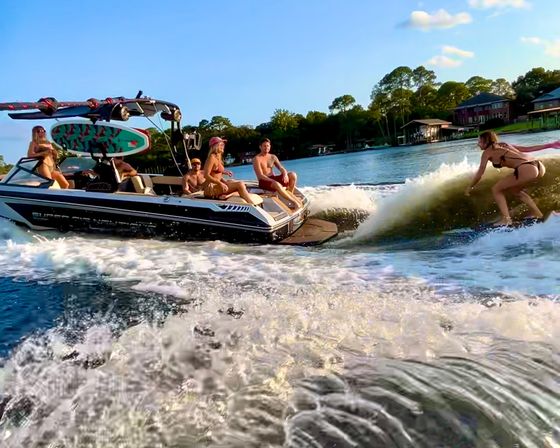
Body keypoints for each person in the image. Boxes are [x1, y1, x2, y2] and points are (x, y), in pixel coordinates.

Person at [465, 130, 560, 226]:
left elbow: (480, 173)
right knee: (516, 191)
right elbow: (526, 149)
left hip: (526, 168)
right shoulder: (504, 144)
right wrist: (549, 145)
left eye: (480, 141)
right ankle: (537, 213)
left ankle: (506, 219)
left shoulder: (487, 153)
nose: (478, 144)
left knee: (496, 189)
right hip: (539, 166)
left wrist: (470, 187)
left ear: (486, 141)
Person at [202, 137, 257, 205]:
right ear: (215, 146)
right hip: (211, 188)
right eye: (221, 144)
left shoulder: (218, 157)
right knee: (240, 185)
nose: (223, 146)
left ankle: (226, 196)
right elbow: (206, 175)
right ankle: (251, 204)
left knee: (234, 182)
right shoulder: (212, 158)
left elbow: (215, 174)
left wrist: (224, 172)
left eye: (223, 145)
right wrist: (220, 183)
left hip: (216, 185)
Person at [253, 137, 302, 207]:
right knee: (276, 184)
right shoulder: (256, 159)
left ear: (270, 146)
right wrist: (273, 181)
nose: (266, 147)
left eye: (268, 146)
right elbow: (260, 175)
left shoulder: (273, 157)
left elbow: (281, 167)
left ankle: (290, 195)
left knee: (292, 175)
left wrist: (285, 174)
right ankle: (294, 202)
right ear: (260, 147)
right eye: (264, 146)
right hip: (263, 181)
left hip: (273, 179)